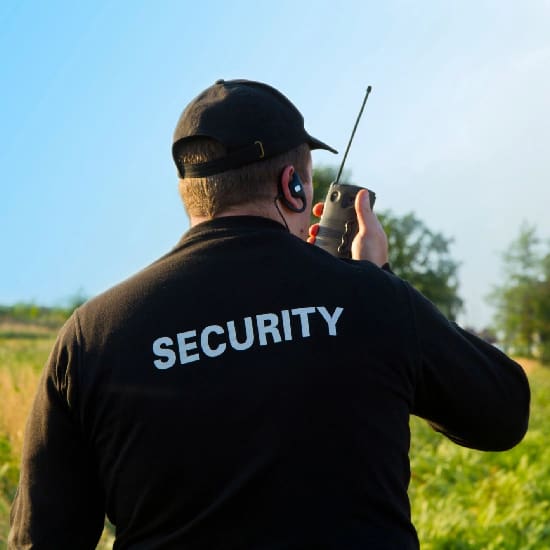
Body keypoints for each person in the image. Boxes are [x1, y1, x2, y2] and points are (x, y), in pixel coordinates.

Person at [9, 79, 530, 549]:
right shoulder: (372, 298)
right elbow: (503, 414)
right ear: (293, 186)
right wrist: (377, 278)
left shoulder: (92, 334)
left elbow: (43, 540)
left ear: (189, 193)